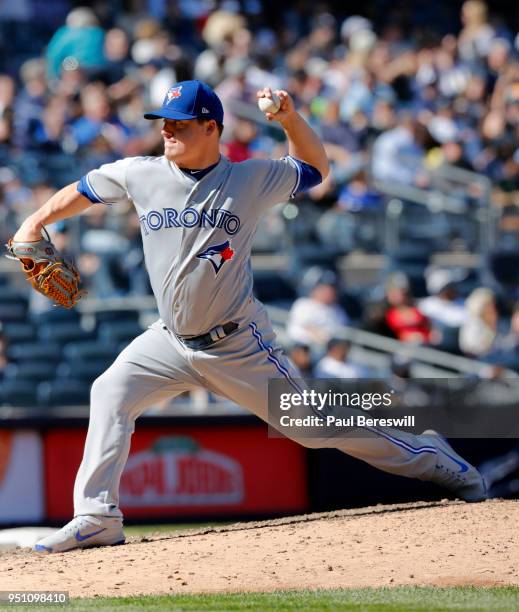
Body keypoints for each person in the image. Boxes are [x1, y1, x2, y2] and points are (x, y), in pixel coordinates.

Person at [13, 79, 486, 554]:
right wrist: (35, 222)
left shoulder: (249, 179)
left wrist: (288, 119)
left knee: (312, 429)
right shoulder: (142, 173)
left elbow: (315, 168)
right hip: (170, 341)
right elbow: (85, 189)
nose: (167, 131)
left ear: (211, 127)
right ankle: (96, 517)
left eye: (179, 123)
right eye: (163, 123)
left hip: (238, 344)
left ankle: (430, 456)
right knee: (110, 390)